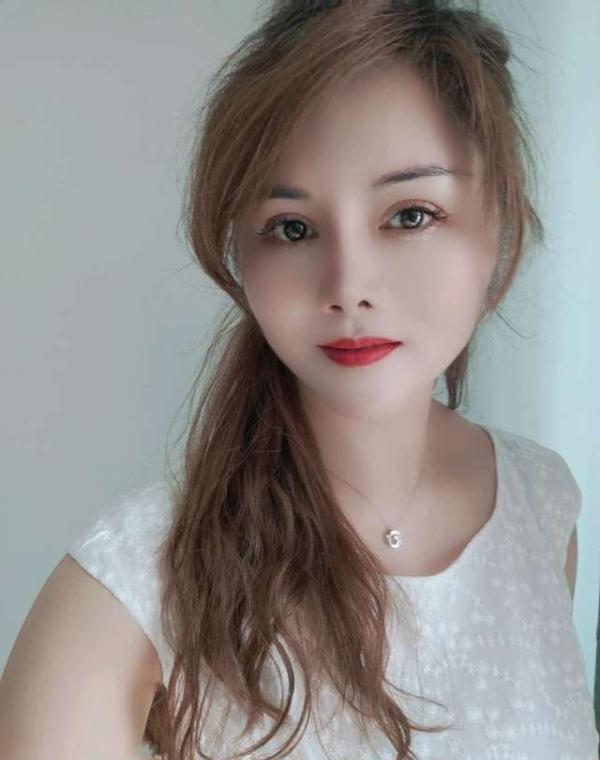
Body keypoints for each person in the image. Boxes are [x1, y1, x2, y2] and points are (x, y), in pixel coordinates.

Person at [1, 1, 597, 759]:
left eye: (410, 215)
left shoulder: (542, 507)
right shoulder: (131, 582)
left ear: (500, 222)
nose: (349, 286)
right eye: (292, 228)